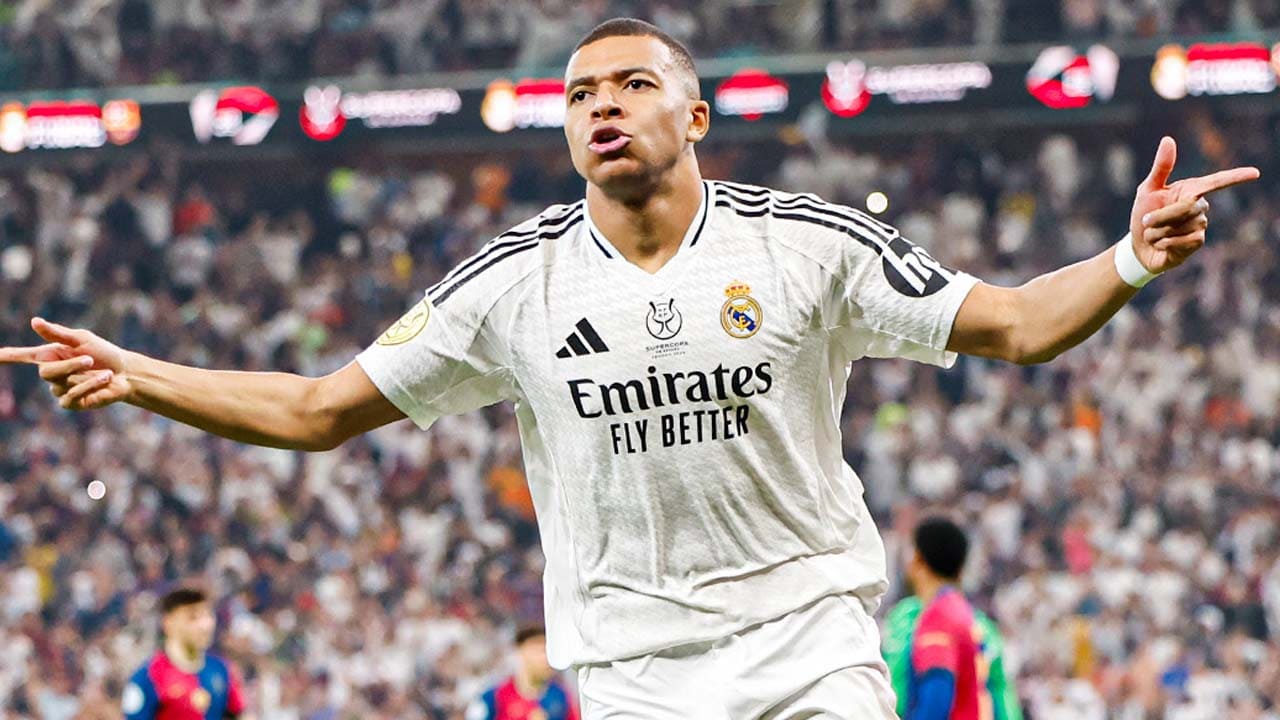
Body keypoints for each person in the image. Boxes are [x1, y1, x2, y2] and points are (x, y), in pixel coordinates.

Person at [0, 17, 1257, 719]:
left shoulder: (805, 244)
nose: (600, 104)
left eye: (632, 84)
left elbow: (1018, 324)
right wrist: (139, 374)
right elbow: (320, 408)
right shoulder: (510, 284)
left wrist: (1128, 258)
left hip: (807, 646)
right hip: (628, 677)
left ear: (693, 116)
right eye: (579, 93)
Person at [882, 518, 1021, 720]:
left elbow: (937, 692)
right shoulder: (976, 622)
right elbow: (1001, 697)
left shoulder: (937, 616)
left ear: (917, 558)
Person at [121, 586, 250, 719]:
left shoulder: (221, 670)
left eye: (208, 615)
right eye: (193, 617)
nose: (205, 625)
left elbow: (240, 715)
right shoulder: (148, 677)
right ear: (168, 622)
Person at [466, 625, 580, 720]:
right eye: (540, 651)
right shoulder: (494, 696)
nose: (546, 658)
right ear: (521, 651)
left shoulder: (561, 696)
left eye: (550, 652)